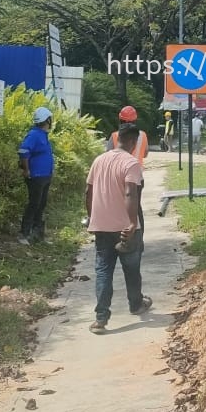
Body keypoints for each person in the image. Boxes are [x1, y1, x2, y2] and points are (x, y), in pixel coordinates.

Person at [85, 124, 152, 334]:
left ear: (117, 139)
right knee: (131, 269)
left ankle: (101, 319)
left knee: (103, 271)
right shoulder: (131, 163)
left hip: (101, 226)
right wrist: (132, 223)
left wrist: (91, 217)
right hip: (125, 228)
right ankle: (136, 304)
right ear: (133, 142)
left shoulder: (99, 160)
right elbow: (131, 193)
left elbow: (88, 191)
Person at [106, 104, 149, 230]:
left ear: (120, 120)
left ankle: (119, 234)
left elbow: (108, 155)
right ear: (135, 120)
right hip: (137, 177)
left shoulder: (115, 135)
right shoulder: (143, 135)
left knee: (118, 206)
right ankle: (138, 238)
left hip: (119, 177)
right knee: (136, 207)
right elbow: (145, 153)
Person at [17, 106, 54, 244]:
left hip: (45, 176)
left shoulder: (43, 135)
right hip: (36, 176)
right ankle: (24, 234)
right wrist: (26, 170)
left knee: (41, 204)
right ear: (47, 120)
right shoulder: (34, 135)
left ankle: (37, 234)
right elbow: (23, 151)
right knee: (34, 204)